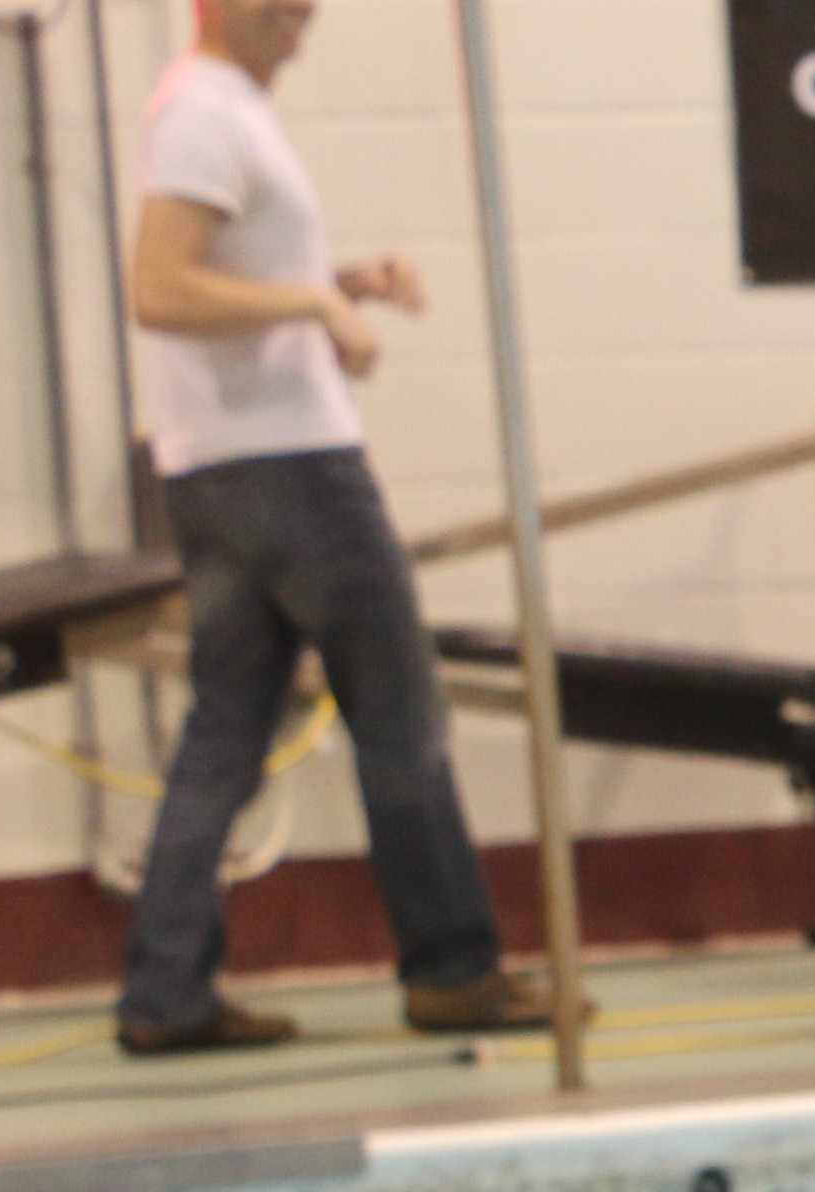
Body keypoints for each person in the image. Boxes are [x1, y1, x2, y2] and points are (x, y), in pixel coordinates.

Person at [115, 0, 547, 1061]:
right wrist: (317, 307)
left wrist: (338, 284)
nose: (305, 20)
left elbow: (219, 282)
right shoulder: (205, 115)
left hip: (220, 467)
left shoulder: (214, 109)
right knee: (400, 712)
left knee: (225, 732)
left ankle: (166, 991)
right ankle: (453, 967)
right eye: (288, 5)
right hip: (289, 467)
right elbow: (160, 288)